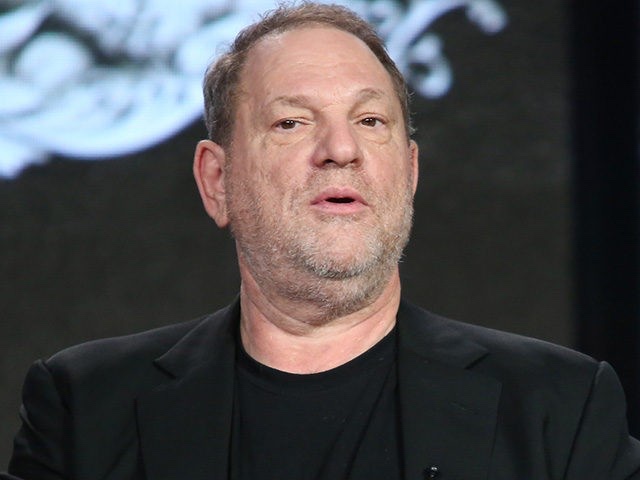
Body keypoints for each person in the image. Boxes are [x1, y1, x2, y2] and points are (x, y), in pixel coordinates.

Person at [3, 3, 639, 479]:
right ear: (217, 180)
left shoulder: (561, 410)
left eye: (370, 120)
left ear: (409, 172)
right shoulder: (85, 410)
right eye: (291, 122)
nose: (340, 149)